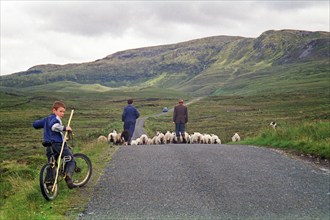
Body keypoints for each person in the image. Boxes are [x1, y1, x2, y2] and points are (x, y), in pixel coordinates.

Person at [33, 101, 75, 189]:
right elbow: (54, 126)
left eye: (64, 112)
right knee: (70, 159)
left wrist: (42, 123)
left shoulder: (46, 119)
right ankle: (68, 176)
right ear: (54, 110)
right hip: (57, 144)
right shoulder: (55, 118)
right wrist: (65, 128)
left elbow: (35, 125)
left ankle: (49, 183)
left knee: (52, 163)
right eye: (61, 111)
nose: (63, 113)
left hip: (49, 145)